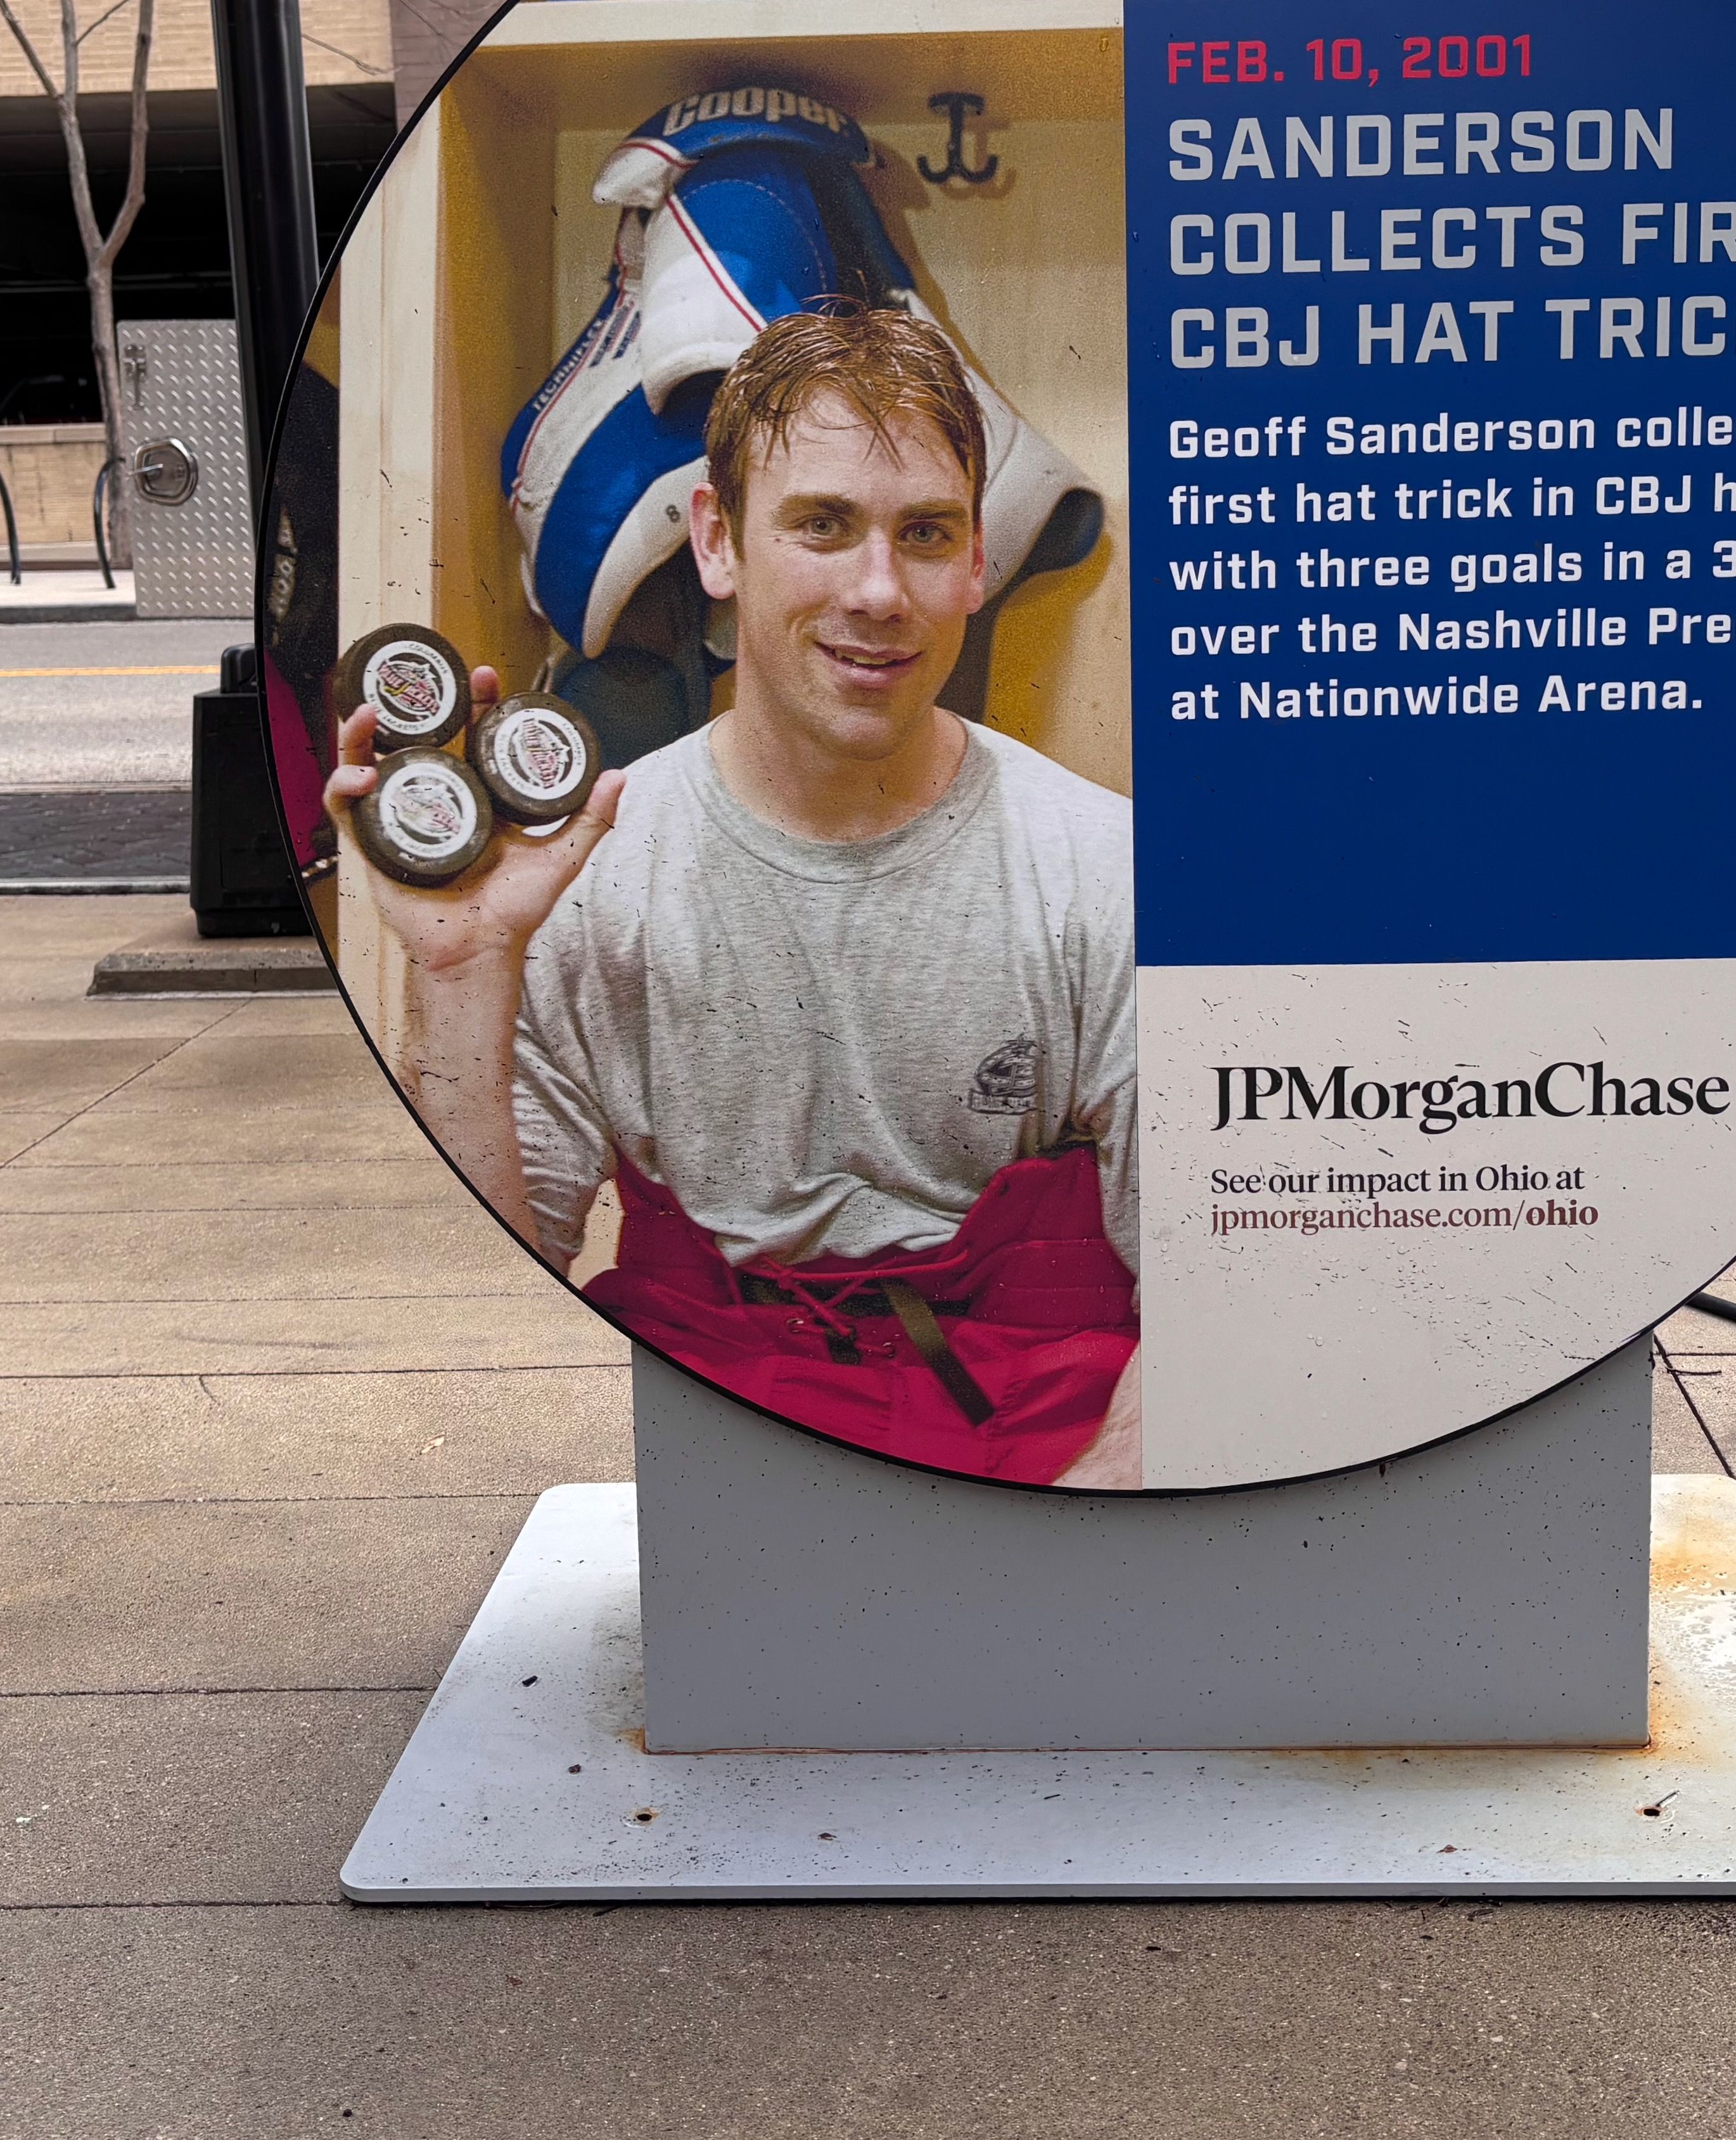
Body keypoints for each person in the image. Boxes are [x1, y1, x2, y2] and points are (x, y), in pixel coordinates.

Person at [328, 307, 1142, 1489]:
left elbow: (1207, 1294)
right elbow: (483, 1324)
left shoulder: (1104, 867)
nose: (878, 591)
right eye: (822, 524)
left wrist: (1072, 1559)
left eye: (924, 532)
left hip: (1050, 1458)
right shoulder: (585, 875)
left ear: (977, 559)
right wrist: (462, 981)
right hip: (724, 1459)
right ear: (717, 540)